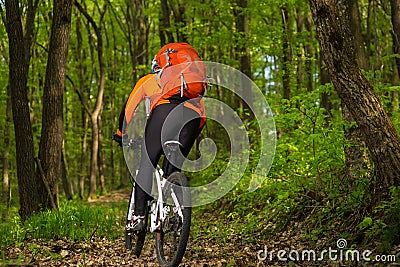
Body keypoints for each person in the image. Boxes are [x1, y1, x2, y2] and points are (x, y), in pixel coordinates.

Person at [113, 43, 206, 231]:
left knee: (147, 161)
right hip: (193, 117)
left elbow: (129, 107)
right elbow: (202, 117)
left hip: (165, 112)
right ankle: (178, 217)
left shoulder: (150, 80)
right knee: (173, 170)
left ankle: (138, 218)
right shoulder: (189, 87)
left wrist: (121, 133)